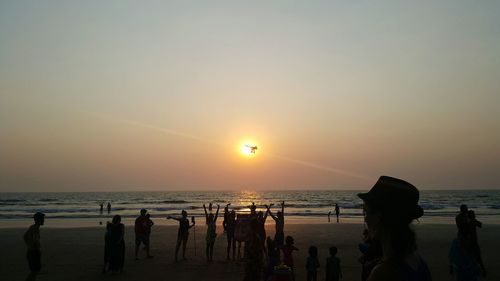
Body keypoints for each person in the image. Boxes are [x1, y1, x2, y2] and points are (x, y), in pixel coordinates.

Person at [358, 176, 431, 281]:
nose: (365, 219)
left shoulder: (382, 273)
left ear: (378, 217)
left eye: (365, 211)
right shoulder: (419, 263)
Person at [24, 212, 45, 281]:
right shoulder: (36, 229)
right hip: (34, 253)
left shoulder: (32, 227)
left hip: (30, 252)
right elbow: (35, 240)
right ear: (39, 220)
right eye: (42, 219)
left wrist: (29, 245)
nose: (43, 220)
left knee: (33, 272)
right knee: (34, 272)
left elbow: (25, 236)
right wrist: (38, 249)